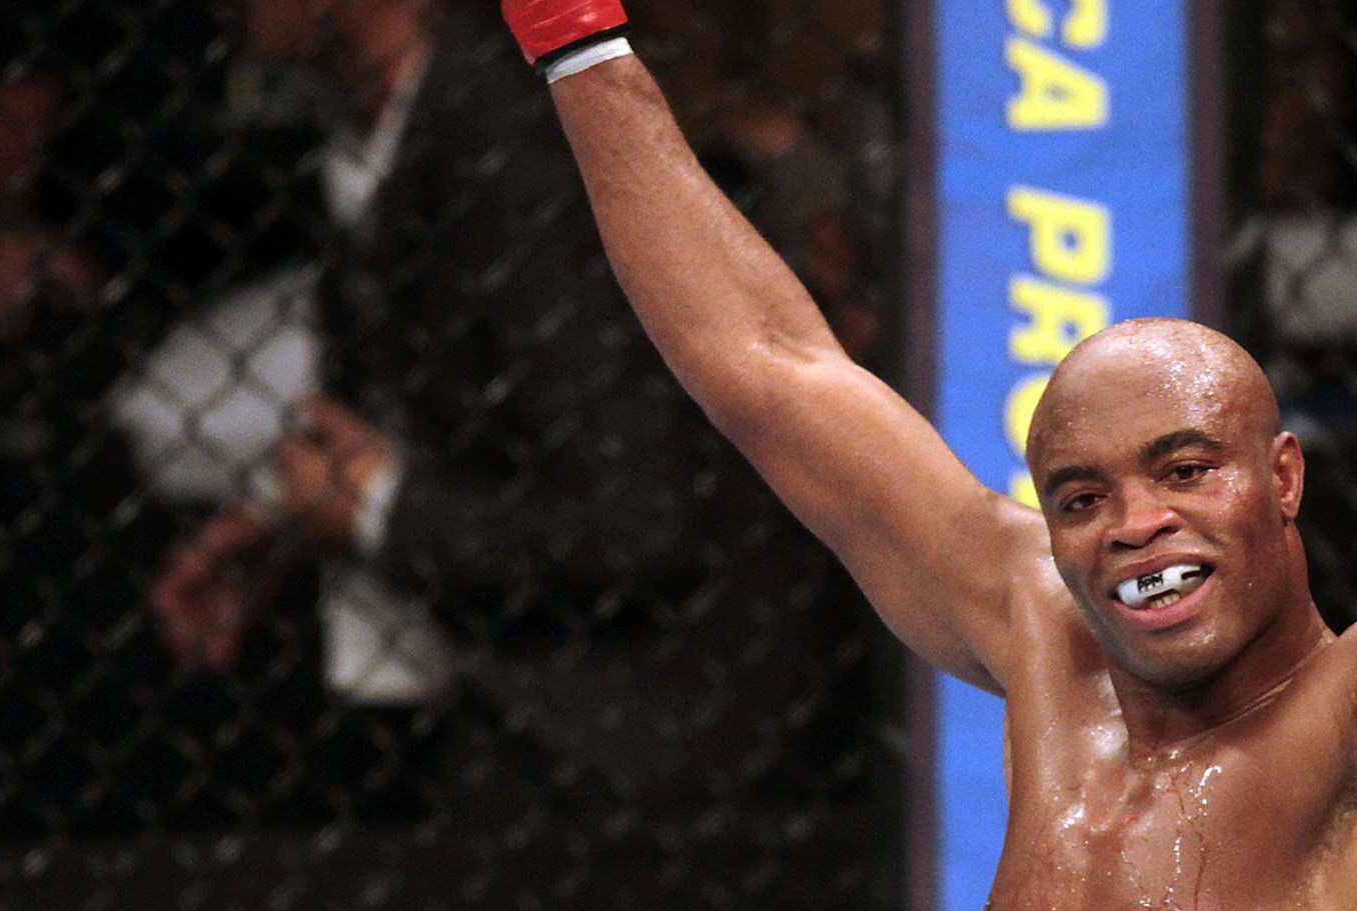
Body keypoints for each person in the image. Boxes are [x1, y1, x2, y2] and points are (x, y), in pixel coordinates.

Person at [502, 0, 1357, 911]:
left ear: (1282, 478)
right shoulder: (1043, 638)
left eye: (1183, 469)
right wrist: (573, 34)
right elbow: (770, 370)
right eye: (1080, 495)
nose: (1133, 523)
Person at [152, 0, 862, 812]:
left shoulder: (519, 134)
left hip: (635, 754)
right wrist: (300, 517)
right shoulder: (405, 117)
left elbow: (639, 514)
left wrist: (381, 511)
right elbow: (475, 425)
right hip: (542, 725)